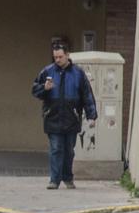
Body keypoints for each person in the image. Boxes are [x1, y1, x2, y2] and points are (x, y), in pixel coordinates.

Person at [32, 43, 97, 190]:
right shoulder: (47, 71)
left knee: (69, 150)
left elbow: (87, 95)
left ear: (68, 55)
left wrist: (91, 116)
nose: (58, 60)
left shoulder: (78, 73)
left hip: (71, 117)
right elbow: (34, 89)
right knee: (56, 148)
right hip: (53, 116)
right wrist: (44, 88)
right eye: (55, 57)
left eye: (60, 57)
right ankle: (54, 180)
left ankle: (67, 177)